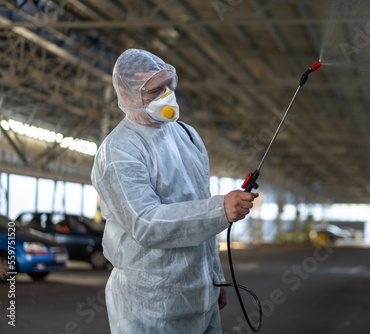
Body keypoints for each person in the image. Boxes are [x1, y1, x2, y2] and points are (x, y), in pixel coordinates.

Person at [91, 48, 258, 333]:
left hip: (200, 296)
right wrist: (219, 210)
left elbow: (200, 216)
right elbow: (145, 222)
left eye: (169, 85)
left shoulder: (187, 136)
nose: (167, 95)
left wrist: (215, 279)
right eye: (155, 90)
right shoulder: (119, 150)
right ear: (128, 97)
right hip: (150, 306)